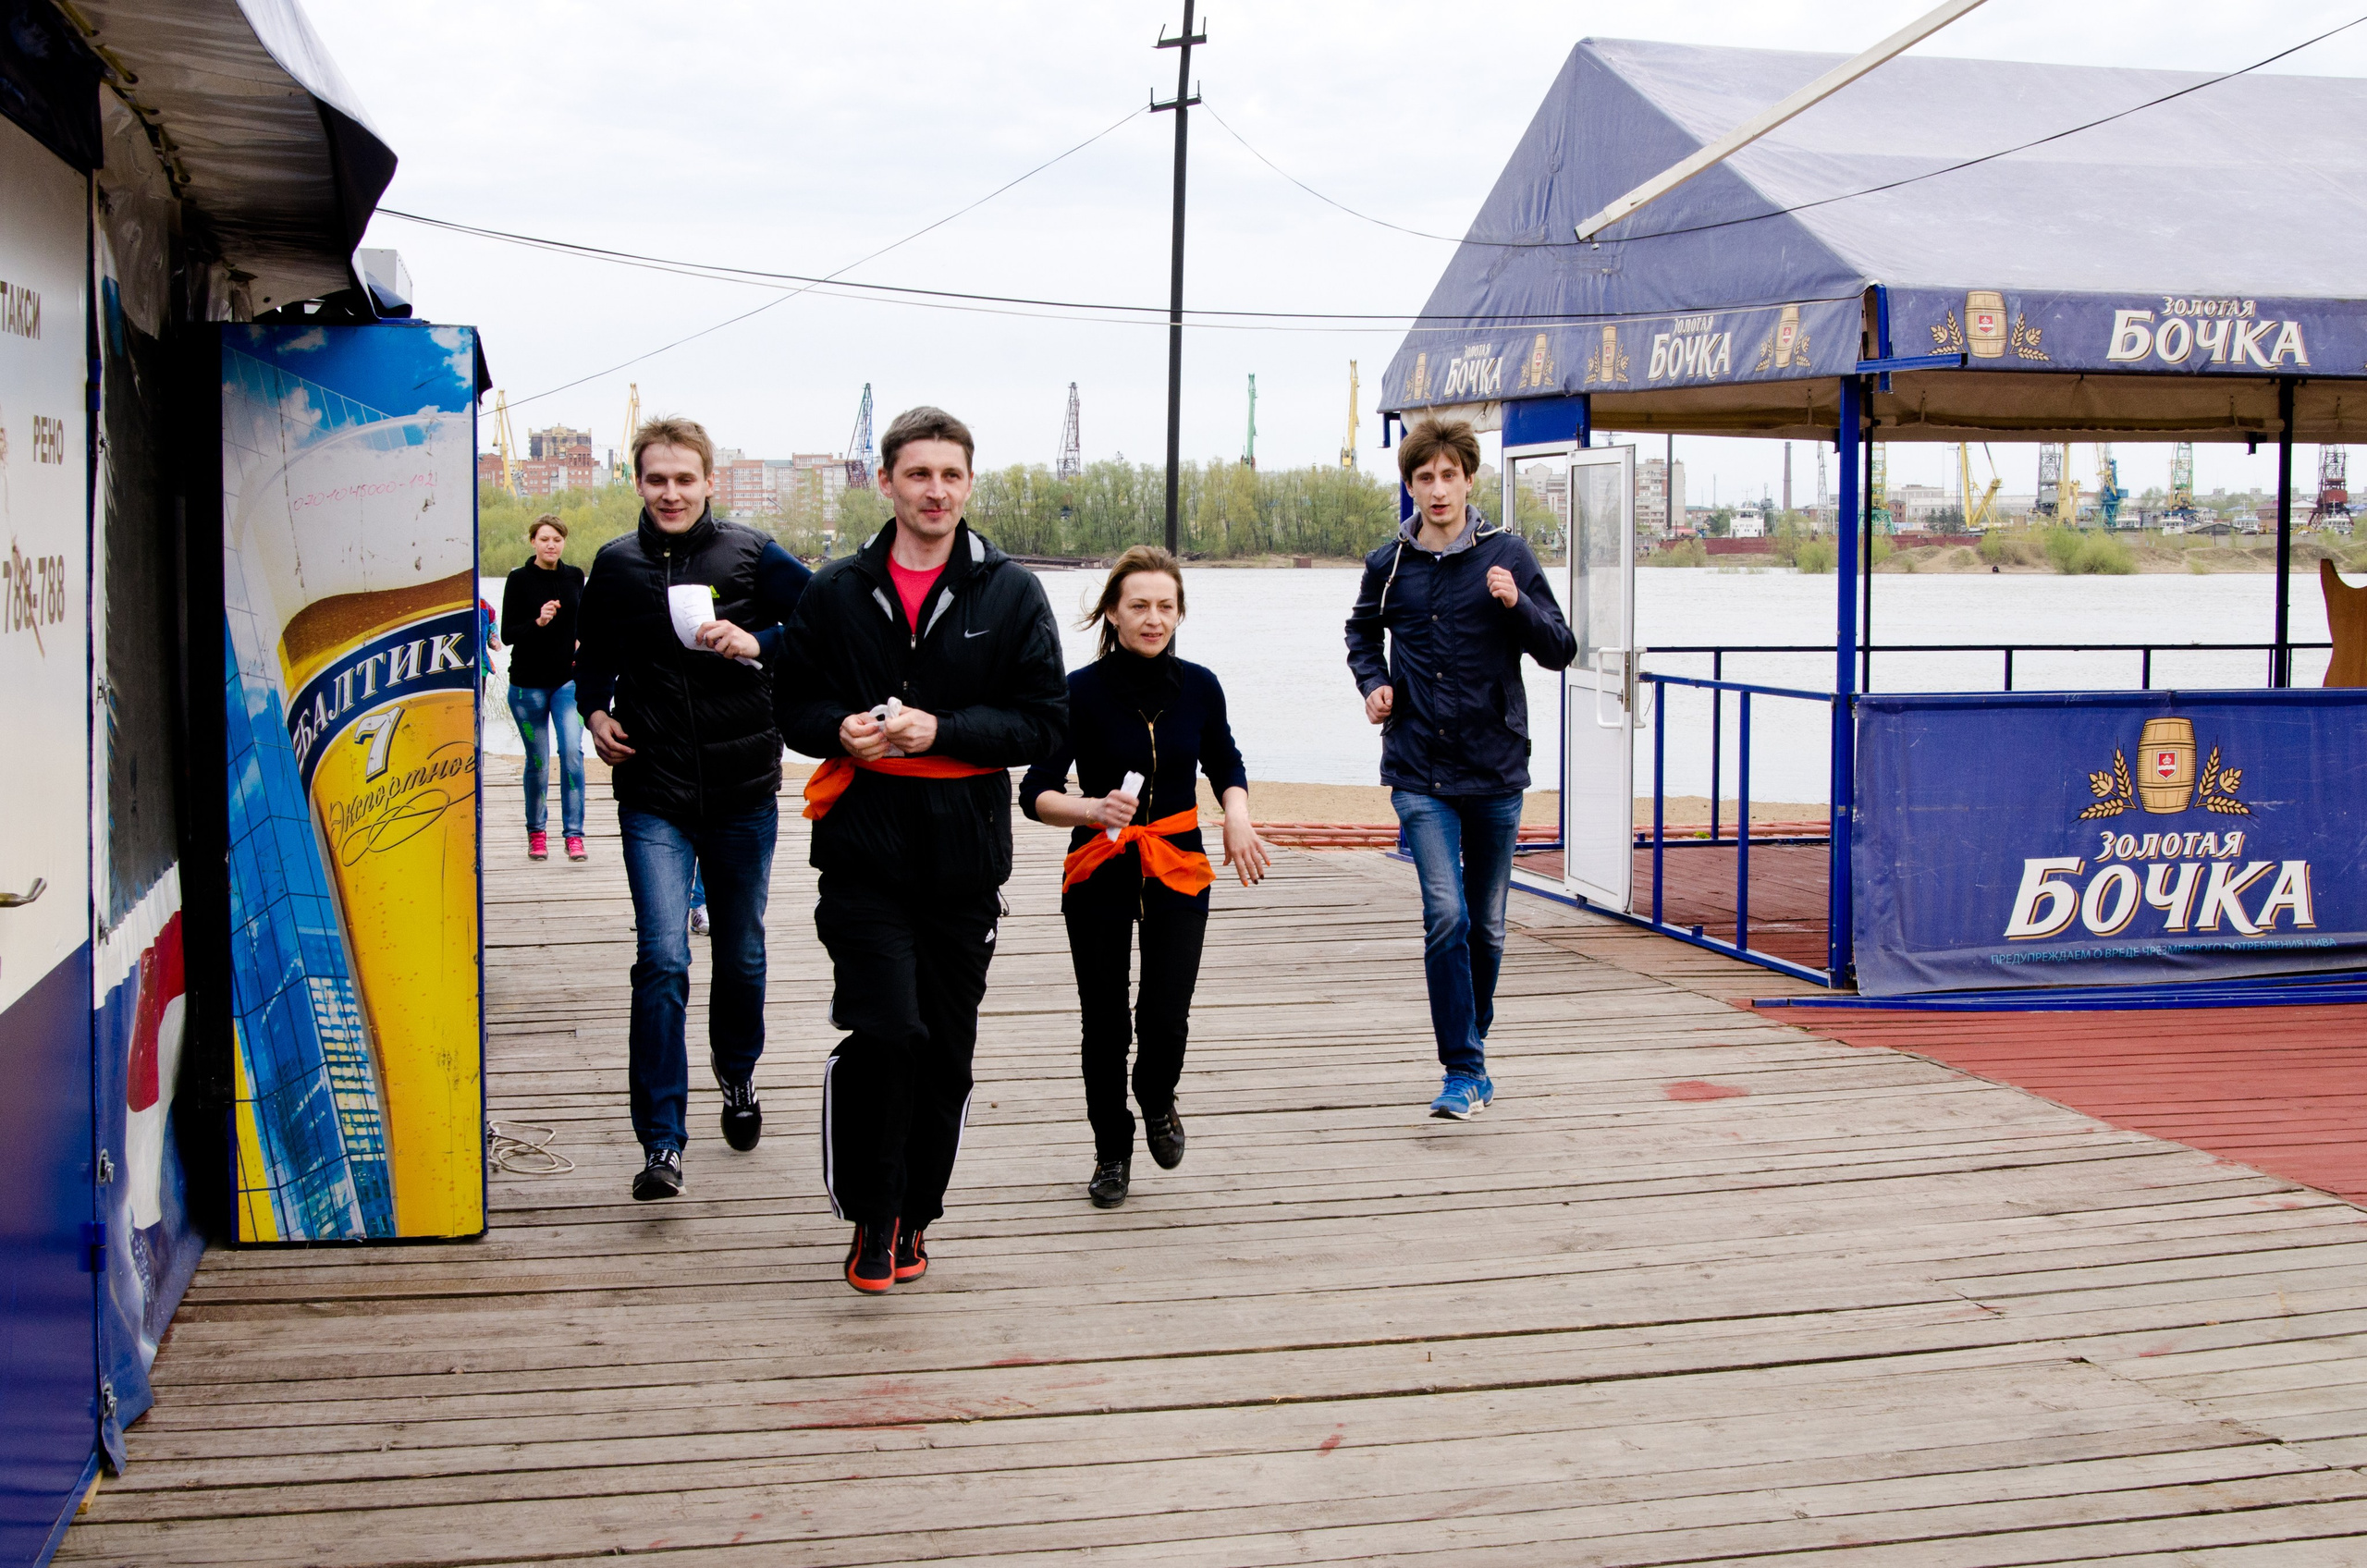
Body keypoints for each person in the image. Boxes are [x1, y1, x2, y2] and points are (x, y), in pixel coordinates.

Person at [776, 405, 1066, 1293]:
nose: (934, 490)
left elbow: (1043, 721)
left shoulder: (1010, 592)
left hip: (965, 858)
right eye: (918, 474)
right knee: (887, 1030)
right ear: (887, 482)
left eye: (950, 475)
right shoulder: (833, 591)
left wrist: (944, 727)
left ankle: (915, 1218)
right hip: (862, 849)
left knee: (944, 1048)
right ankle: (871, 1212)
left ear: (968, 484)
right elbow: (792, 708)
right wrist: (839, 732)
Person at [575, 416, 812, 1200]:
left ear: (710, 481)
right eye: (655, 479)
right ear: (637, 483)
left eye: (685, 479)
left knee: (740, 951)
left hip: (744, 789)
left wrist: (760, 642)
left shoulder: (749, 552)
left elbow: (822, 624)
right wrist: (595, 715)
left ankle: (737, 1076)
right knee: (664, 960)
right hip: (654, 791)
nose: (670, 493)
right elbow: (594, 663)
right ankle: (663, 1143)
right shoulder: (613, 566)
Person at [1020, 546, 1268, 1208]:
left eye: (1165, 606)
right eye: (1139, 606)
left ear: (1180, 611)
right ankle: (1111, 1151)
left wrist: (1236, 818)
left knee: (1164, 1017)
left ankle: (1157, 1097)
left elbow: (1226, 764)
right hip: (1099, 864)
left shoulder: (1201, 686)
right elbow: (1035, 792)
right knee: (1104, 1023)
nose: (1153, 618)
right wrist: (1091, 808)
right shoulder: (1078, 691)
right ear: (1113, 611)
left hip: (1178, 862)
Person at [1344, 416, 1576, 1120]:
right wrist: (1372, 684)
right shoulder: (1390, 566)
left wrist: (1517, 604)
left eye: (1449, 475)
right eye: (1423, 478)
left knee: (1488, 926)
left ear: (1469, 479)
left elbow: (1560, 648)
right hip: (1418, 767)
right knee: (1445, 915)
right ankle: (1463, 1067)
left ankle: (1471, 1042)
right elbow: (1360, 632)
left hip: (1497, 768)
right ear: (1410, 486)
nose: (1437, 490)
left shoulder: (1508, 554)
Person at [499, 514, 587, 862]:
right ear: (533, 542)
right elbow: (508, 634)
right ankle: (537, 833)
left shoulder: (575, 575)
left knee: (572, 754)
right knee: (538, 762)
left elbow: (584, 619)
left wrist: (583, 641)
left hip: (568, 682)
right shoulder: (519, 580)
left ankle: (574, 835)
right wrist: (538, 621)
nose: (551, 545)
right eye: (545, 539)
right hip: (527, 686)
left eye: (557, 539)